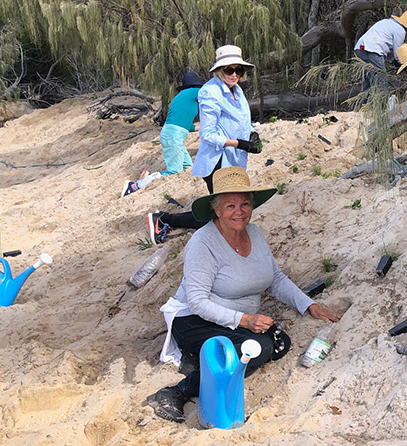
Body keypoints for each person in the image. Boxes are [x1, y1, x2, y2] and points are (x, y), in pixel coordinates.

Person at [145, 166, 342, 423]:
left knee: (280, 344)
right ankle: (176, 392)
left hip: (235, 320)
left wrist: (310, 305)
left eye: (245, 204)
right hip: (193, 320)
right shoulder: (203, 243)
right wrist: (244, 320)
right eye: (230, 206)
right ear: (216, 210)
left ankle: (207, 359)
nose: (239, 211)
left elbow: (275, 279)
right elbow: (197, 301)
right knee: (259, 348)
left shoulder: (256, 233)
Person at [146, 45, 261, 244]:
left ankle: (165, 219)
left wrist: (252, 134)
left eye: (239, 70)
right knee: (223, 213)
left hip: (234, 159)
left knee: (226, 211)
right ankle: (165, 219)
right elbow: (208, 134)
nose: (234, 74)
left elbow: (241, 121)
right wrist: (238, 143)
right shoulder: (210, 91)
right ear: (219, 70)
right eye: (229, 70)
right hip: (217, 161)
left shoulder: (237, 91)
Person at [122, 73, 205, 197]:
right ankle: (134, 186)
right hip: (173, 136)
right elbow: (209, 95)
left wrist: (204, 127)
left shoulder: (183, 97)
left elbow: (186, 126)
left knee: (188, 167)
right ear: (196, 86)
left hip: (174, 134)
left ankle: (147, 178)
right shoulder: (193, 92)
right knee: (174, 171)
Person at [353, 10, 407, 93]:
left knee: (368, 82)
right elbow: (398, 52)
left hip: (360, 49)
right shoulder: (400, 30)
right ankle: (382, 104)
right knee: (382, 81)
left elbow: (389, 49)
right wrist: (402, 64)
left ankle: (364, 104)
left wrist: (394, 61)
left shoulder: (387, 23)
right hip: (373, 50)